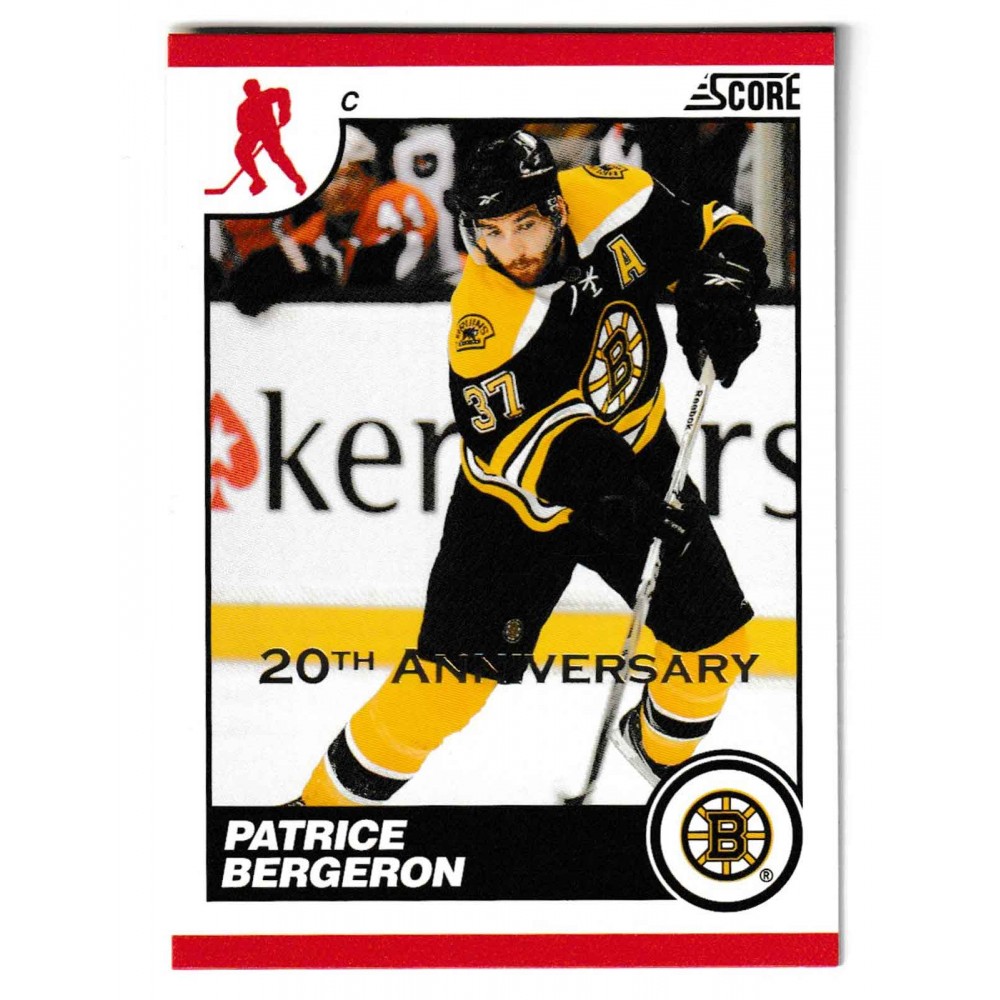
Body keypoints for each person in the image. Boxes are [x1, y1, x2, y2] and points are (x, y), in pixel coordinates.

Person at [292, 130, 768, 806]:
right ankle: (315, 810)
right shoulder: (485, 320)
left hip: (638, 461)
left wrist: (720, 285)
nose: (512, 248)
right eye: (492, 231)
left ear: (557, 207)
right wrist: (618, 496)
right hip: (512, 512)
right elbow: (516, 449)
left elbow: (715, 228)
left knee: (716, 645)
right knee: (442, 691)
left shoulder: (615, 202)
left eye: (526, 224)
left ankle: (653, 752)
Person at [235, 79, 307, 197]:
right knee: (241, 150)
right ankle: (257, 180)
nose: (252, 93)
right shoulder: (244, 107)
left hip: (268, 130)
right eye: (249, 91)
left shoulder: (264, 96)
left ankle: (298, 181)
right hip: (254, 132)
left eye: (253, 89)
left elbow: (283, 93)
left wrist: (284, 113)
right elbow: (241, 127)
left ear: (258, 88)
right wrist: (251, 130)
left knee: (277, 156)